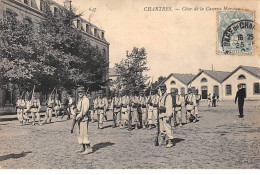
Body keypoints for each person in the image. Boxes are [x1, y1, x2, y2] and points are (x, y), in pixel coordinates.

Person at [73, 86, 92, 155]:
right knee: (80, 133)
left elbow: (84, 110)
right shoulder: (80, 100)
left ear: (84, 92)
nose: (80, 93)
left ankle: (88, 148)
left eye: (81, 92)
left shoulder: (85, 99)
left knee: (84, 133)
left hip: (84, 118)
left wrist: (79, 116)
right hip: (79, 119)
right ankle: (83, 147)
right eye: (79, 92)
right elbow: (78, 108)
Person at [158, 84, 174, 148]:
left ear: (166, 88)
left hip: (166, 114)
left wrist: (168, 116)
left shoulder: (168, 96)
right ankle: (163, 139)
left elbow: (169, 107)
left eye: (163, 88)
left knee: (167, 128)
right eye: (161, 88)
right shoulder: (160, 97)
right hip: (161, 114)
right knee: (161, 129)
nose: (162, 90)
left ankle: (170, 141)